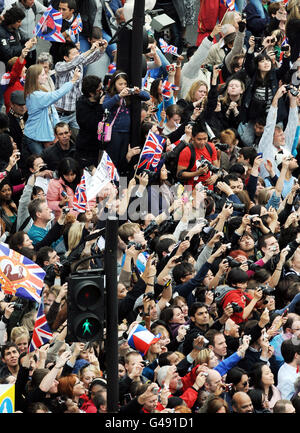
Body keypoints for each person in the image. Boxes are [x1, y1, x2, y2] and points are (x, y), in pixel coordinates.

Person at [22, 64, 80, 156]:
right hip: (33, 138)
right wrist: (73, 80)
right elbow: (57, 94)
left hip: (42, 136)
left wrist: (56, 131)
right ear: (35, 78)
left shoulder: (40, 92)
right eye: (43, 74)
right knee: (42, 164)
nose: (46, 76)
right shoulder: (35, 96)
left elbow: (53, 113)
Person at [54, 39, 107, 134]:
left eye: (77, 52)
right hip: (60, 115)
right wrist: (91, 50)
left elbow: (91, 58)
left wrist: (101, 49)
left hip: (74, 113)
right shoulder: (59, 66)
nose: (77, 55)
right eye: (74, 54)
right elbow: (75, 62)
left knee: (78, 138)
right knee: (59, 140)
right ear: (66, 57)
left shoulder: (79, 65)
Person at [102, 70, 150, 171]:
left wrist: (138, 91)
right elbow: (104, 106)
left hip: (127, 132)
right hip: (114, 132)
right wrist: (119, 96)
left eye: (125, 84)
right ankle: (111, 183)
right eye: (120, 84)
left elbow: (147, 97)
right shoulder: (110, 95)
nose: (123, 86)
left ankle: (122, 183)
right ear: (114, 84)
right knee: (113, 159)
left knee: (124, 159)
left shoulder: (129, 94)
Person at [75, 74, 104, 168]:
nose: (102, 91)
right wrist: (100, 106)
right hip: (86, 148)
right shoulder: (82, 105)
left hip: (99, 146)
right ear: (91, 93)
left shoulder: (99, 100)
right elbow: (93, 125)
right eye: (99, 90)